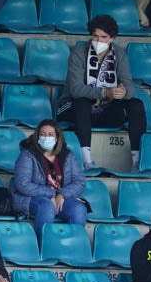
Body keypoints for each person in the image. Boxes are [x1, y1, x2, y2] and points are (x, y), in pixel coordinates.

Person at [56, 14, 146, 170]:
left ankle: (137, 161)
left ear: (112, 38)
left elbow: (130, 88)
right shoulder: (79, 53)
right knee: (82, 101)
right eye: (95, 36)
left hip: (105, 111)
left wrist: (123, 93)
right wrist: (105, 93)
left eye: (103, 37)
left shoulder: (119, 55)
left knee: (136, 104)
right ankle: (87, 160)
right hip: (74, 108)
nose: (98, 41)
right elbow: (76, 90)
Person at [10, 118, 88, 240]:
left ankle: (71, 247)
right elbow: (22, 184)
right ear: (37, 137)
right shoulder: (28, 155)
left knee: (79, 209)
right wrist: (51, 194)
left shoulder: (67, 155)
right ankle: (42, 247)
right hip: (30, 199)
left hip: (60, 198)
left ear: (57, 138)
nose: (47, 137)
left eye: (51, 134)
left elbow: (80, 182)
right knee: (46, 206)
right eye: (43, 134)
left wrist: (62, 195)